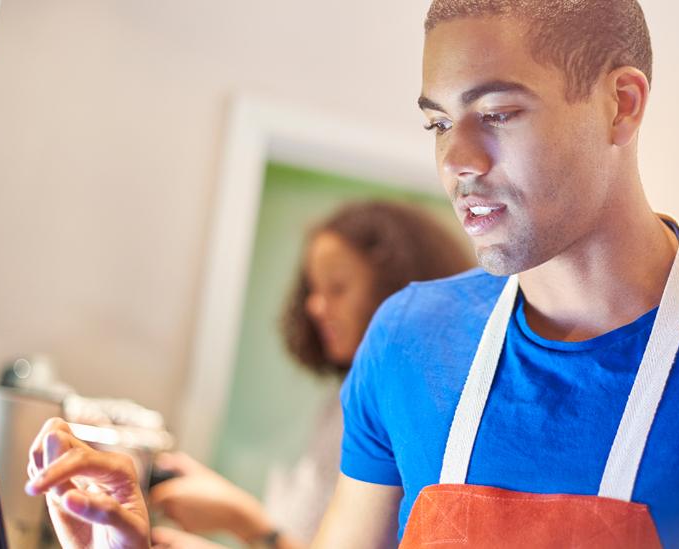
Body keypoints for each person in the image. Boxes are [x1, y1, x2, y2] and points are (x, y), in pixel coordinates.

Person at [26, 1, 679, 547]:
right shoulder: (408, 337)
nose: (457, 163)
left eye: (498, 113)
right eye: (439, 123)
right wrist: (135, 541)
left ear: (622, 104)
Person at [24, 201, 472, 549]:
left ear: (394, 292)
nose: (316, 306)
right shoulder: (338, 408)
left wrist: (244, 520)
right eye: (313, 290)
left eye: (337, 288)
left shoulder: (420, 422)